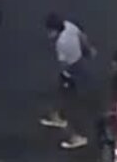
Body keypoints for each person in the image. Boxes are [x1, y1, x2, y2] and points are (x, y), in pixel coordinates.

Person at [39, 13, 97, 149]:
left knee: (69, 102)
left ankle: (76, 135)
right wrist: (88, 50)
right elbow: (82, 38)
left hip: (72, 72)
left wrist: (64, 77)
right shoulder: (70, 27)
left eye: (50, 32)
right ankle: (57, 113)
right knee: (63, 96)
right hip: (78, 65)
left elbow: (64, 65)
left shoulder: (62, 44)